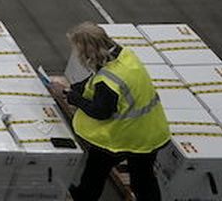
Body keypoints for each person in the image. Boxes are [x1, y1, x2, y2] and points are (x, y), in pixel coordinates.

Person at [52, 22, 170, 201]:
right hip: (150, 131)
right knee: (143, 180)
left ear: (89, 49)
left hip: (123, 137)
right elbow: (96, 80)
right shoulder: (124, 56)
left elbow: (100, 111)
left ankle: (83, 198)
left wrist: (72, 98)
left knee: (95, 172)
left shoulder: (109, 82)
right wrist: (74, 88)